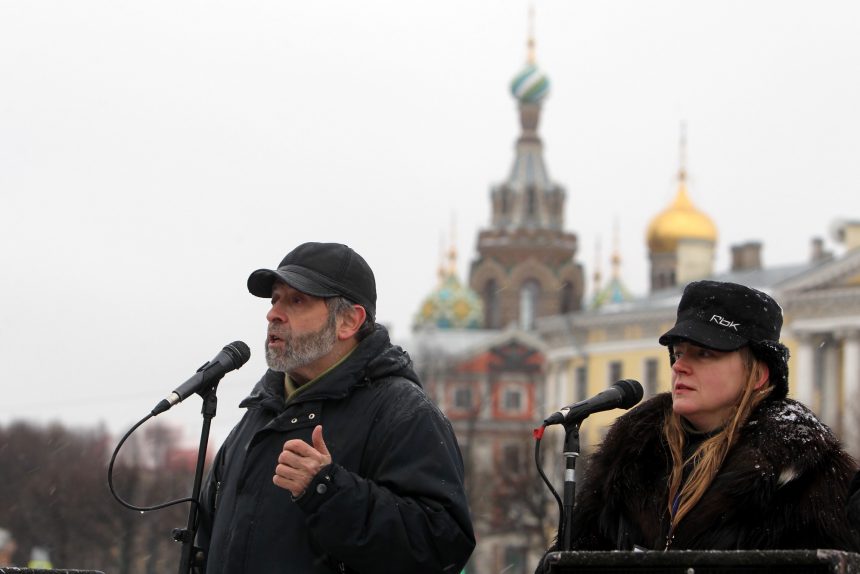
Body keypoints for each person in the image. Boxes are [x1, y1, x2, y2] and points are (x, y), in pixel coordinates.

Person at [196, 242, 475, 574]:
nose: (274, 314)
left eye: (297, 300)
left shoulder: (403, 413)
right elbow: (208, 541)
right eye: (275, 299)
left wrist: (327, 491)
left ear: (349, 321)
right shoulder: (258, 415)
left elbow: (441, 546)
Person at [537, 280, 858, 568]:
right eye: (677, 354)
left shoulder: (807, 475)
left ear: (758, 374)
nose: (680, 367)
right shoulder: (629, 459)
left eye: (704, 354)